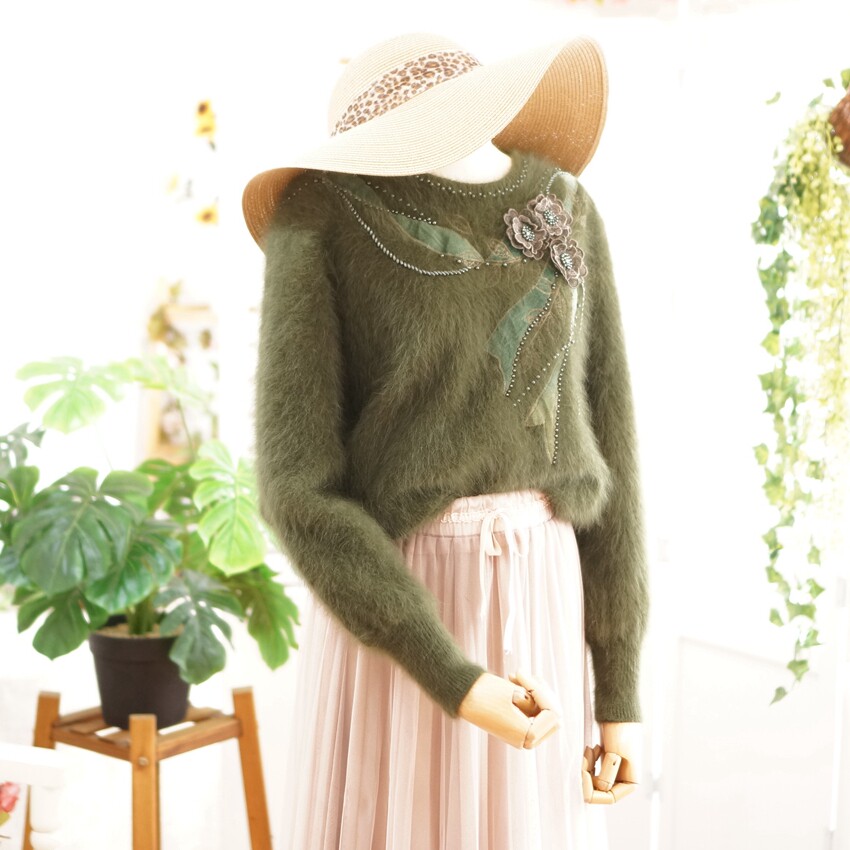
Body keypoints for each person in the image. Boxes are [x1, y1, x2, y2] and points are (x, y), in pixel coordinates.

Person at [244, 30, 650, 850]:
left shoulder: (566, 207)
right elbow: (297, 490)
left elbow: (611, 446)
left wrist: (619, 692)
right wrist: (449, 675)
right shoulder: (320, 217)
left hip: (546, 593)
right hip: (403, 609)